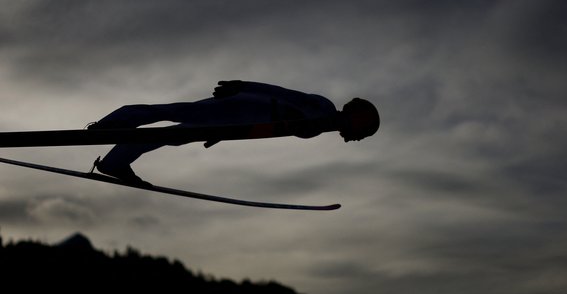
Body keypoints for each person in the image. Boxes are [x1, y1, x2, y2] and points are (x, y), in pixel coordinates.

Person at [89, 80, 380, 183]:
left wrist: (224, 133)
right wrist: (242, 87)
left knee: (170, 136)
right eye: (363, 132)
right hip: (234, 107)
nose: (358, 139)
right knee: (170, 113)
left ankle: (114, 163)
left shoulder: (323, 122)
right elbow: (283, 95)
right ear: (357, 120)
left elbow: (267, 126)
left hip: (233, 119)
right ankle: (109, 126)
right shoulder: (324, 111)